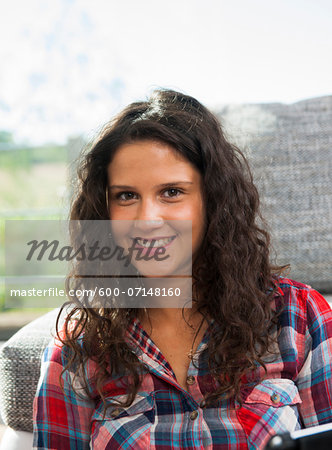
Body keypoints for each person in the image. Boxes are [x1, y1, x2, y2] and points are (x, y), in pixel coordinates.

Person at [33, 88, 332, 449]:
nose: (147, 219)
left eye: (172, 192)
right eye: (126, 196)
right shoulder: (78, 345)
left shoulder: (299, 315)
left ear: (213, 200)